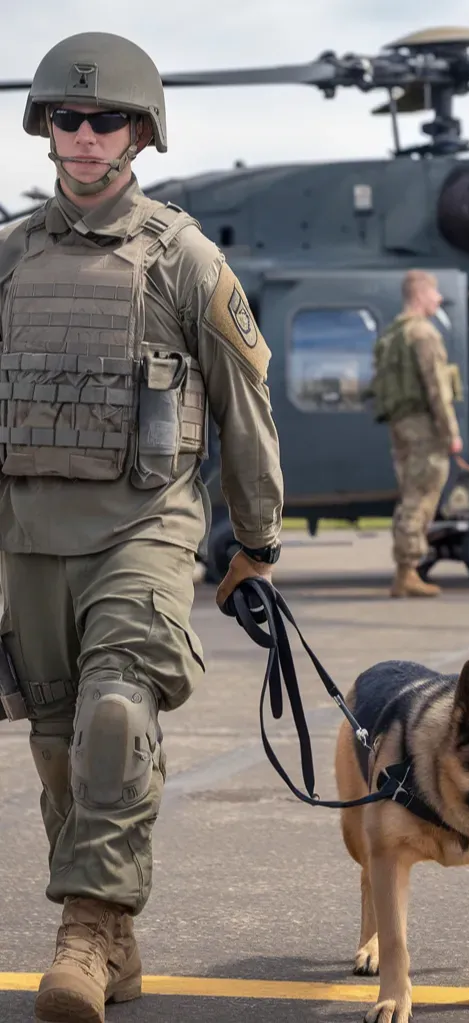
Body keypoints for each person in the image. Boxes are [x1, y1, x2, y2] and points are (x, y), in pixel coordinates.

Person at [0, 32, 284, 1023]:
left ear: (140, 133)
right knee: (54, 745)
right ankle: (114, 942)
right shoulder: (9, 260)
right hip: (31, 535)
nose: (84, 135)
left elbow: (244, 409)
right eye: (67, 118)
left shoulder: (181, 254)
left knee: (115, 716)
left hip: (144, 525)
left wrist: (256, 538)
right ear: (44, 128)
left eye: (104, 118)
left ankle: (83, 926)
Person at [370, 269, 462, 598]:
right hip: (423, 426)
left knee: (411, 492)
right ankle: (407, 572)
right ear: (421, 295)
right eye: (435, 294)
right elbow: (437, 388)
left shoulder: (394, 334)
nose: (439, 300)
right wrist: (451, 431)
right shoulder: (423, 333)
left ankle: (406, 570)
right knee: (420, 496)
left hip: (402, 424)